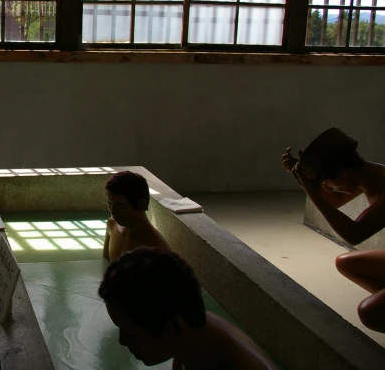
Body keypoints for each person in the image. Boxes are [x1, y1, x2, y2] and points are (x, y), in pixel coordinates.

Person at [99, 247, 278, 370]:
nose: (122, 341)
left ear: (175, 327)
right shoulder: (192, 328)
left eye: (132, 333)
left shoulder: (236, 363)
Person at [282, 127, 385, 332]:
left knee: (369, 312)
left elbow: (354, 234)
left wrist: (314, 191)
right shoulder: (365, 174)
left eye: (327, 183)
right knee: (347, 263)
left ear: (342, 172)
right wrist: (304, 180)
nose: (328, 188)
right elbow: (336, 201)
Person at [102, 171, 170, 262]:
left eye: (120, 206)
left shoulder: (156, 249)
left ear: (141, 204)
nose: (112, 211)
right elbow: (105, 261)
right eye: (110, 203)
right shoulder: (112, 225)